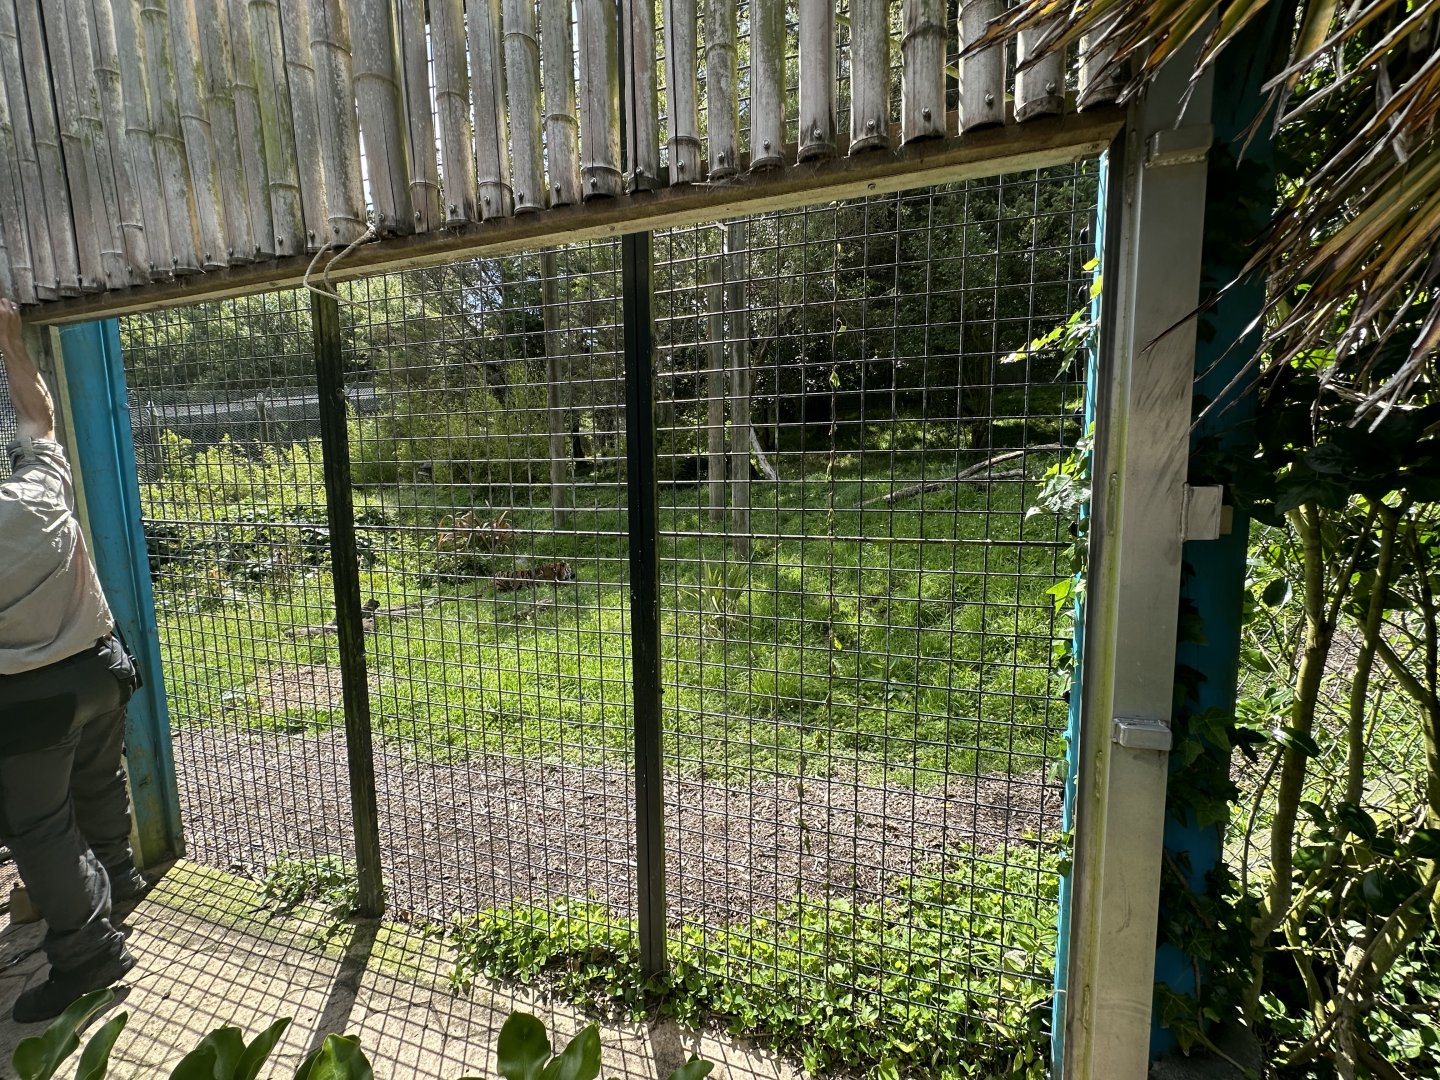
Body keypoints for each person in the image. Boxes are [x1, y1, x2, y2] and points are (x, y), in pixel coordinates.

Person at [0, 298, 146, 1023]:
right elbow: (39, 422)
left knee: (41, 830)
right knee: (99, 780)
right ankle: (119, 878)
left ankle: (88, 955)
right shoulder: (33, 492)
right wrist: (10, 343)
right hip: (101, 667)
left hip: (28, 701)